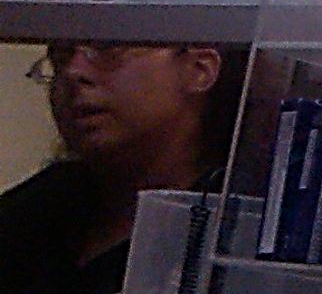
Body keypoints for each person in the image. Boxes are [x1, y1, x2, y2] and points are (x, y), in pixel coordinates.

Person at [0, 42, 245, 294]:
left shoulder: (242, 227)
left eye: (108, 49)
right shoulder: (39, 207)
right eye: (60, 56)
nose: (72, 72)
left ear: (199, 68)